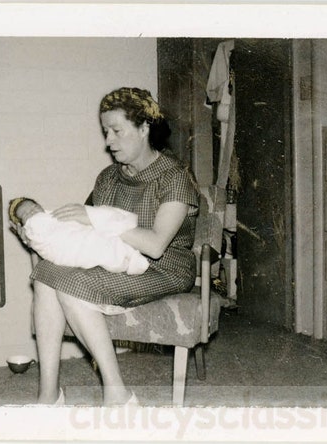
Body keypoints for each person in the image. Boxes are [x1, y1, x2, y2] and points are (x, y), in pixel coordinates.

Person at [26, 87, 200, 406]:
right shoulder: (108, 177)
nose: (108, 141)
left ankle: (117, 392)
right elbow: (85, 230)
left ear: (144, 128)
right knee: (46, 275)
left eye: (117, 131)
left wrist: (96, 218)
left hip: (164, 268)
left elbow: (156, 245)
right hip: (118, 260)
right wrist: (42, 232)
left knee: (70, 287)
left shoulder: (175, 178)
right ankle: (48, 396)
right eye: (106, 131)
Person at [8, 197, 149, 275]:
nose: (32, 212)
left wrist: (91, 219)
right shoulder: (34, 226)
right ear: (22, 225)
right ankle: (126, 258)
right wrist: (31, 242)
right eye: (26, 214)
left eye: (34, 207)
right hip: (71, 248)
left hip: (82, 236)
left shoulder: (53, 215)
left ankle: (128, 254)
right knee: (97, 250)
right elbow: (41, 244)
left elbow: (79, 222)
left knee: (100, 239)